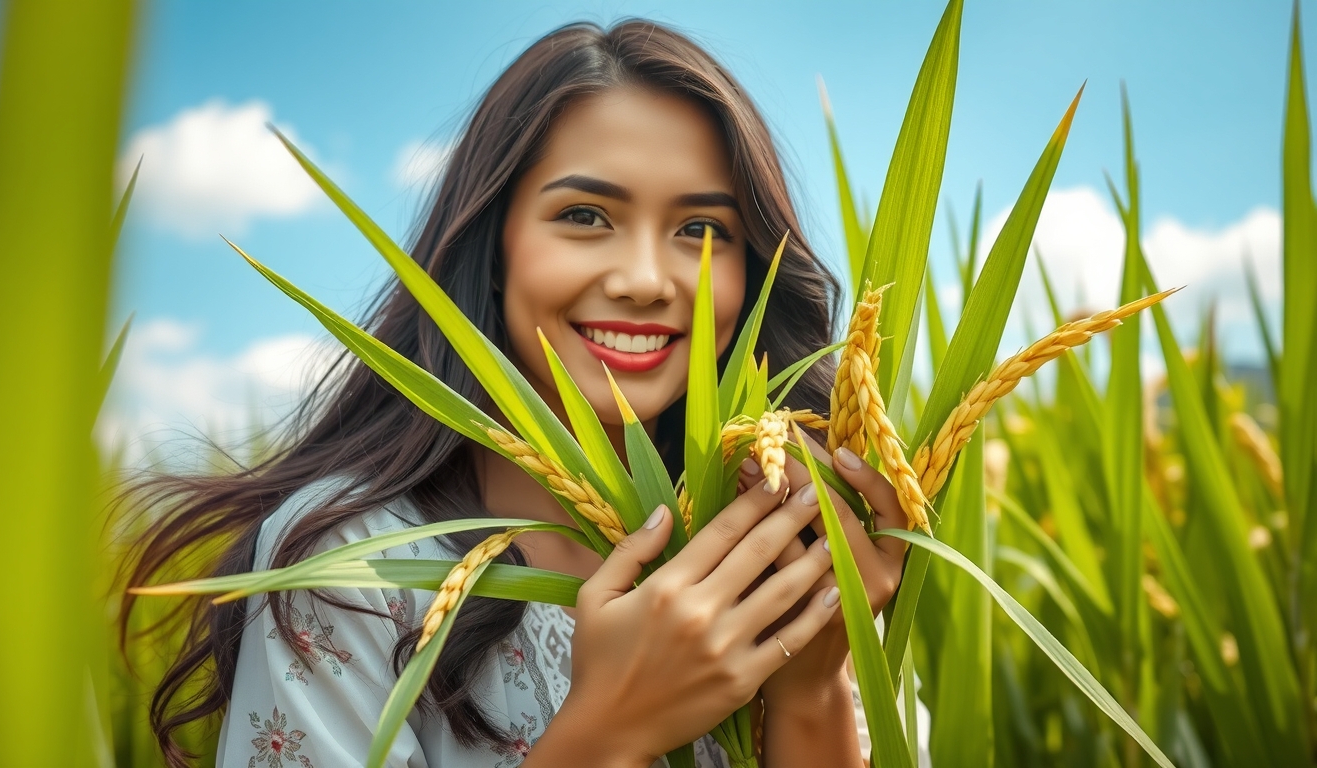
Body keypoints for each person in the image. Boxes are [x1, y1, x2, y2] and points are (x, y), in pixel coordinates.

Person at [121, 20, 924, 768]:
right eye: (585, 215)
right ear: (494, 246)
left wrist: (813, 685)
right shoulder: (354, 566)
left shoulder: (792, 545)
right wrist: (611, 730)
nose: (646, 281)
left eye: (702, 231)